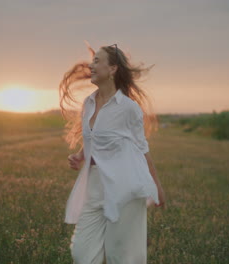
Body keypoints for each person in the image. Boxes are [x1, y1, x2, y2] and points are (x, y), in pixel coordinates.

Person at [59, 42, 166, 264]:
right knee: (82, 254)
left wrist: (157, 187)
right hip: (95, 186)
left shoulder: (128, 108)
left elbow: (141, 149)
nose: (91, 65)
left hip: (124, 186)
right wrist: (81, 156)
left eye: (97, 61)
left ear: (113, 69)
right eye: (92, 61)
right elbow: (94, 137)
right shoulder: (88, 104)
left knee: (121, 256)